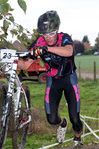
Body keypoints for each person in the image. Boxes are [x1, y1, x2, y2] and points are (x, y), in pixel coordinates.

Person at [18, 10, 83, 148]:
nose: (48, 37)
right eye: (44, 34)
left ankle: (77, 139)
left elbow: (69, 51)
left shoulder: (64, 38)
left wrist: (46, 49)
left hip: (69, 78)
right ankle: (62, 124)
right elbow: (25, 63)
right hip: (53, 80)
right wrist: (11, 60)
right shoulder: (38, 42)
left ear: (57, 30)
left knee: (75, 118)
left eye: (51, 33)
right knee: (52, 119)